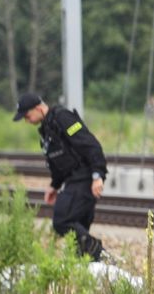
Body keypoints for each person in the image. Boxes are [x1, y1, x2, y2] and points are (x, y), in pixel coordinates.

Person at [12, 93, 108, 261]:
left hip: (85, 178)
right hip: (73, 179)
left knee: (62, 220)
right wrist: (54, 186)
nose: (27, 121)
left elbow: (90, 145)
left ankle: (100, 254)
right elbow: (60, 162)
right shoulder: (47, 129)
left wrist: (97, 175)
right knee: (78, 228)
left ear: (39, 108)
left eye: (27, 116)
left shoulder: (63, 118)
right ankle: (89, 266)